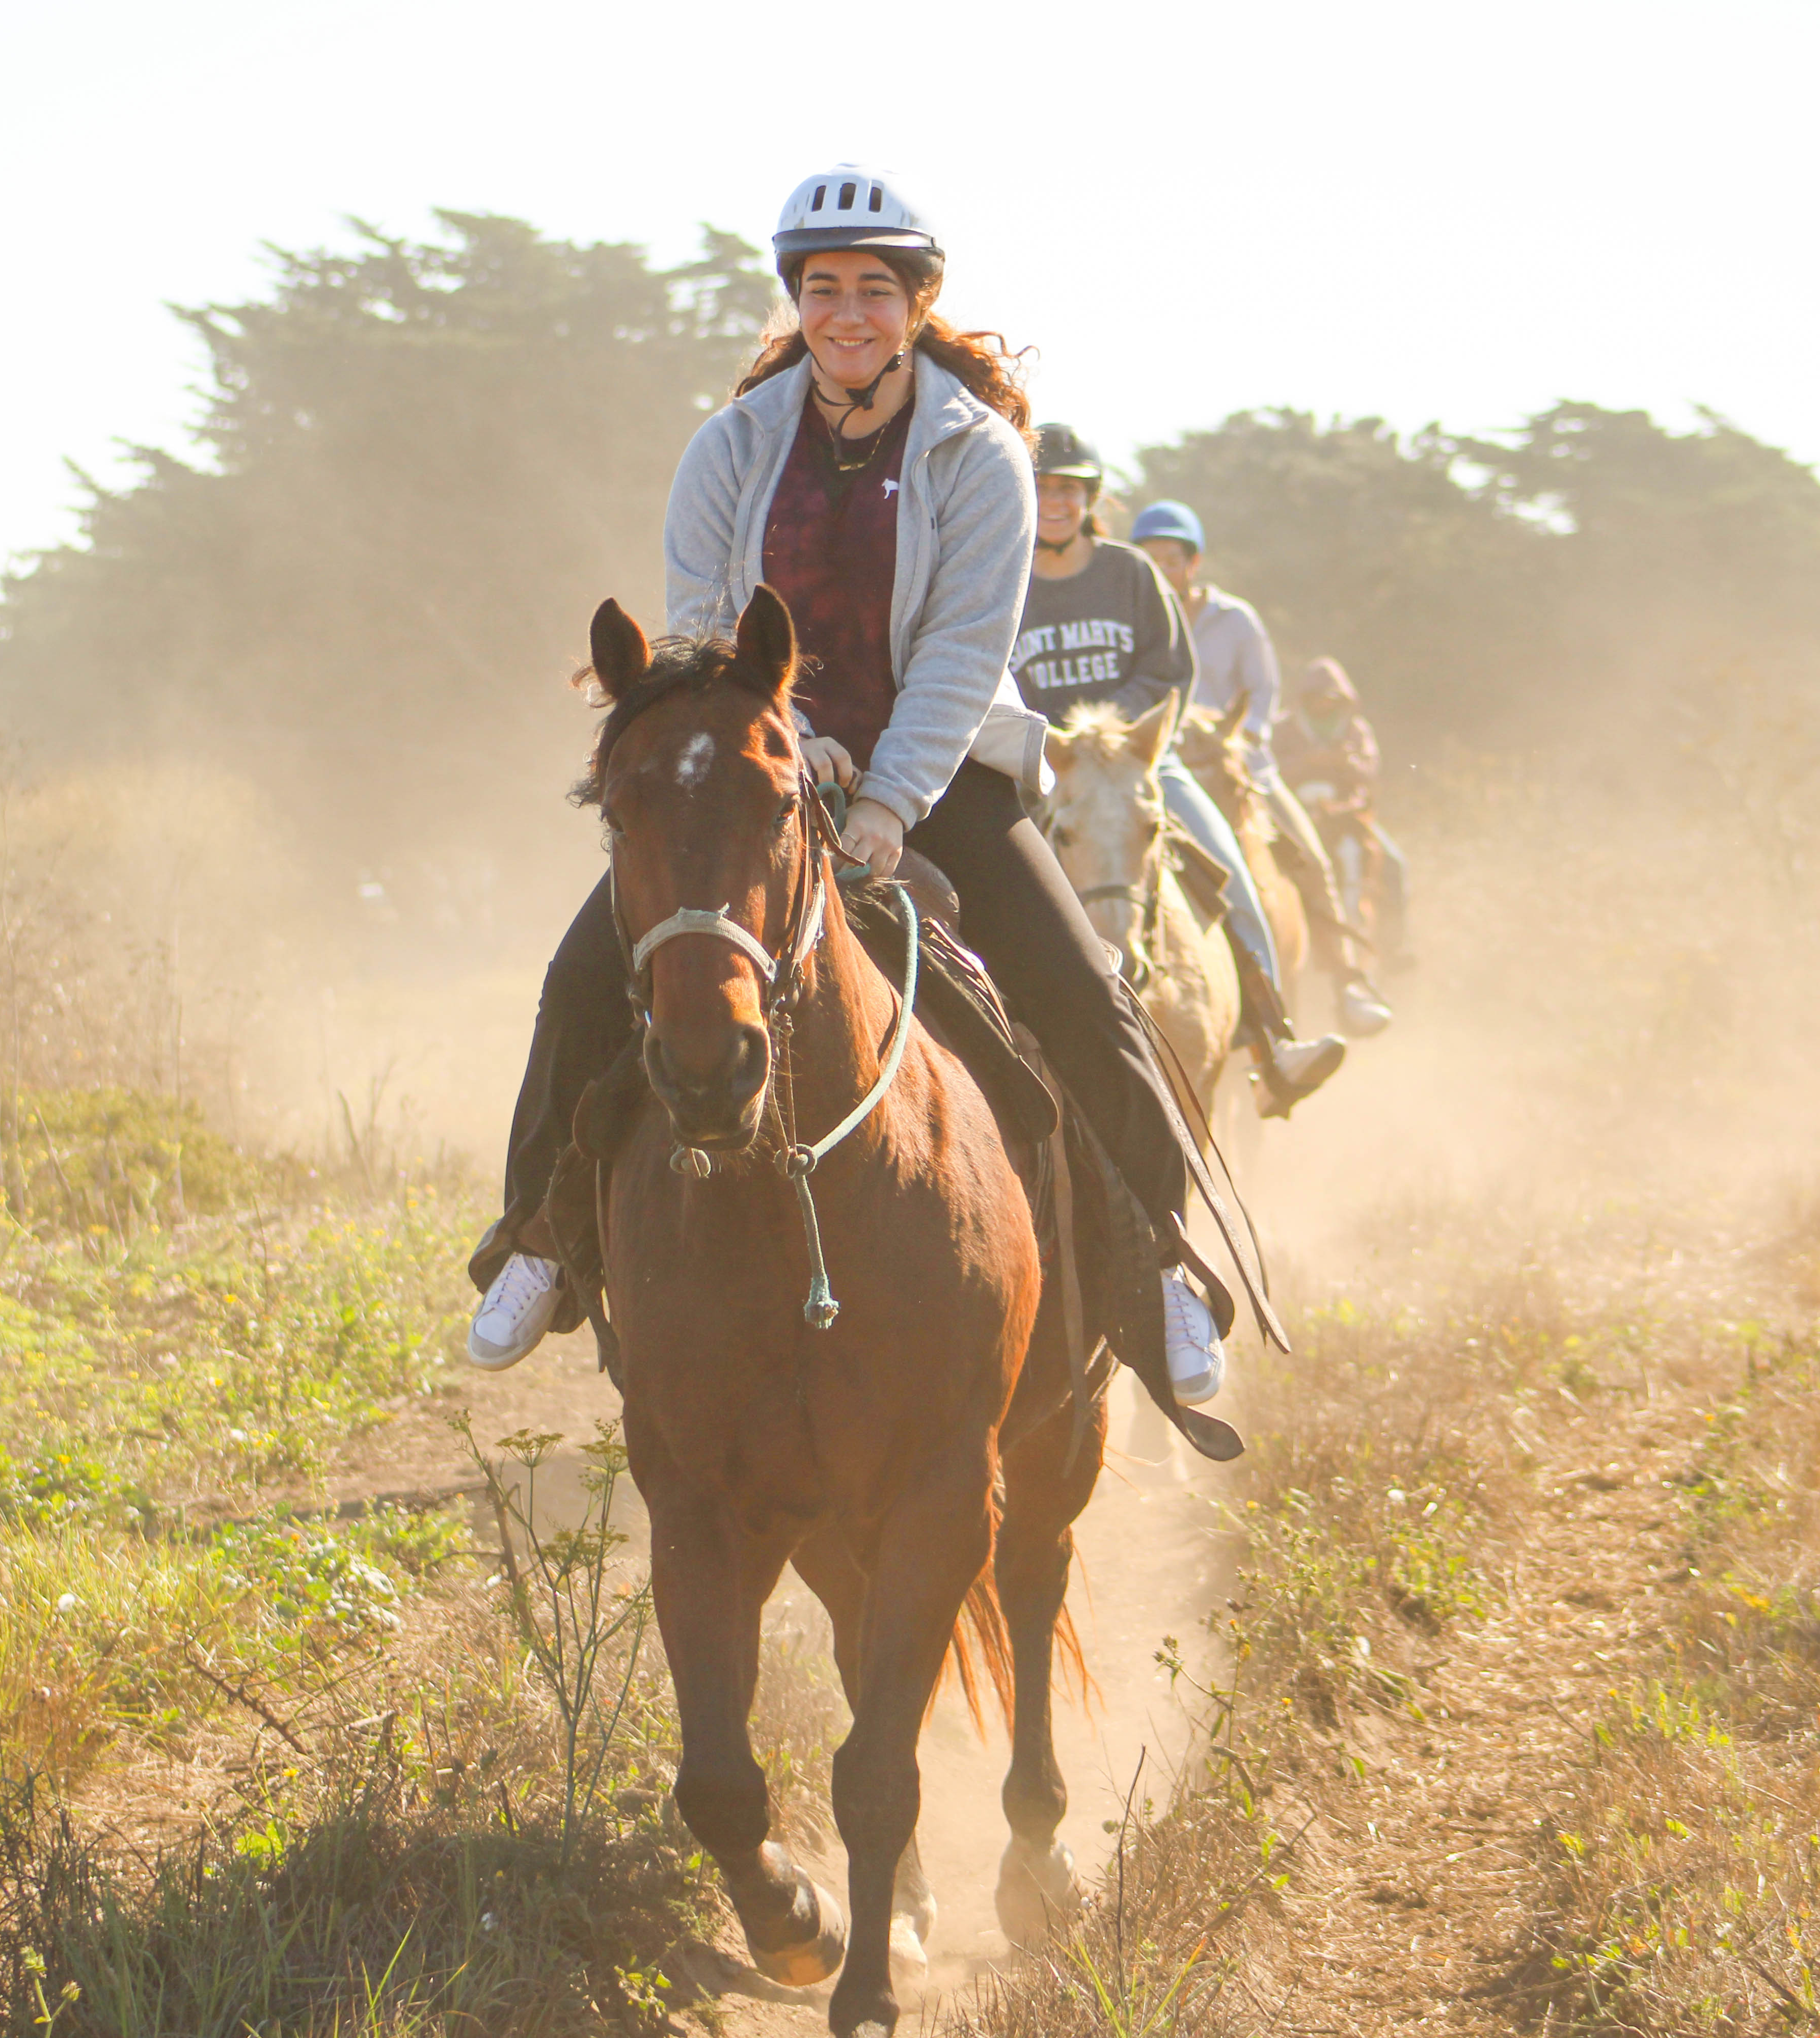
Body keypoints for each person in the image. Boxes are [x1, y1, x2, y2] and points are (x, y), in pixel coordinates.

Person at [466, 165, 1236, 1410]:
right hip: (768, 767)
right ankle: (541, 1242)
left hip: (942, 777)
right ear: (796, 305)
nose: (846, 315)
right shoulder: (729, 446)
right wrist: (792, 735)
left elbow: (965, 649)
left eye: (875, 290)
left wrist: (883, 803)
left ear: (918, 302)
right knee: (580, 975)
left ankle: (1158, 1268)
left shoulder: (978, 452)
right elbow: (708, 628)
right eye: (822, 289)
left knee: (1091, 998)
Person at [1008, 431, 1347, 1115]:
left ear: (1090, 498)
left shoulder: (1130, 573)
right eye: (1043, 489)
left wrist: (1115, 735)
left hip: (1139, 760)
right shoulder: (999, 575)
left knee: (1234, 872)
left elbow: (1170, 669)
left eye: (1069, 489)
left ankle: (1275, 1043)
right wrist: (1052, 738)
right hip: (1040, 766)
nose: (1055, 502)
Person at [1128, 499, 1393, 1036]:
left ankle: (1347, 982)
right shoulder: (1128, 619)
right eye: (1150, 560)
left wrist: (1238, 741)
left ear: (1194, 563)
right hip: (1161, 767)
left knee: (1312, 855)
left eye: (1172, 559)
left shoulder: (1235, 620)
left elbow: (1264, 694)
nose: (1163, 570)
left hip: (1237, 763)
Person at [1276, 655, 1414, 972]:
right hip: (1295, 819)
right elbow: (1270, 770)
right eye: (1318, 697)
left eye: (1332, 698)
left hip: (1347, 815)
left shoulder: (1355, 729)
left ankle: (1395, 946)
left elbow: (1370, 771)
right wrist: (1307, 763)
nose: (1325, 704)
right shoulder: (1284, 728)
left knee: (1394, 865)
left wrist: (1344, 763)